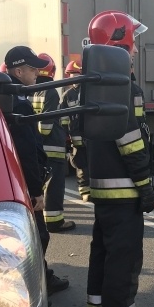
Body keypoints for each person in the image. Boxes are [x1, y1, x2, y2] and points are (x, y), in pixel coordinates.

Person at [85, 10, 154, 307]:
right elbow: (132, 142)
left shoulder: (93, 84)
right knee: (124, 258)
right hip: (124, 190)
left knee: (102, 252)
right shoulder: (125, 87)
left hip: (103, 188)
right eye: (135, 41)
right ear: (122, 41)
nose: (137, 49)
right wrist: (145, 187)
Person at [3, 46, 70, 295]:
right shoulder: (18, 100)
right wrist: (35, 189)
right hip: (24, 180)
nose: (36, 73)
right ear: (18, 70)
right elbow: (27, 149)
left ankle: (41, 276)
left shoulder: (13, 94)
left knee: (35, 234)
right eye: (32, 69)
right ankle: (34, 288)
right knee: (36, 236)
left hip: (16, 177)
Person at [32, 52, 76, 233]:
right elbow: (46, 126)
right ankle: (55, 222)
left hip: (40, 148)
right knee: (54, 186)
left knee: (42, 186)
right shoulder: (50, 91)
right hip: (52, 149)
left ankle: (43, 220)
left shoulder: (32, 90)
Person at [60, 59, 91, 201]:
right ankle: (85, 191)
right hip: (77, 137)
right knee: (81, 164)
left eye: (75, 74)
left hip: (92, 135)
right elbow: (63, 117)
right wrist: (66, 132)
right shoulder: (67, 95)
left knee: (95, 162)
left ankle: (95, 190)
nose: (72, 78)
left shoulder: (91, 91)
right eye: (71, 74)